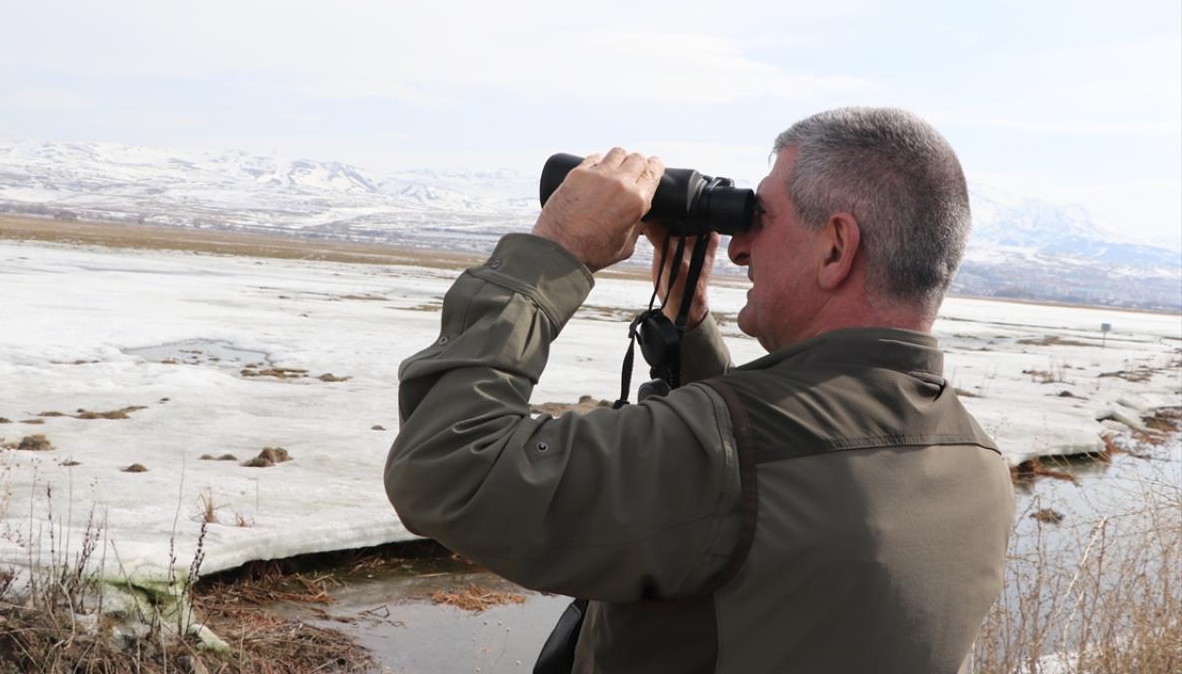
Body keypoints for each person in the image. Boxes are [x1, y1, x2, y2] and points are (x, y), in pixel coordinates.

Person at [385, 107, 1015, 673]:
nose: (738, 248)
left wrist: (552, 255)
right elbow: (766, 498)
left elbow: (447, 465)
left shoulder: (727, 457)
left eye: (761, 218)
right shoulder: (977, 461)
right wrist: (688, 325)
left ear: (835, 248)